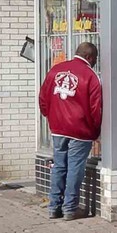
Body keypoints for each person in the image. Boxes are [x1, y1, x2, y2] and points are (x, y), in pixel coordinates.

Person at [38, 40, 103, 220]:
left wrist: (50, 116)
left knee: (59, 166)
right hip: (80, 130)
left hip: (58, 128)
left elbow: (43, 97)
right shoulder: (90, 76)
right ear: (89, 56)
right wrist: (95, 130)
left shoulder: (55, 70)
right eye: (95, 58)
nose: (96, 61)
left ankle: (54, 207)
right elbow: (95, 108)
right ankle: (70, 208)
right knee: (75, 167)